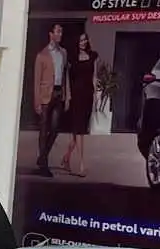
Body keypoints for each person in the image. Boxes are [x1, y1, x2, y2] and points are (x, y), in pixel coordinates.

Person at [33, 23, 70, 177]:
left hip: (58, 94)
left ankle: (42, 157)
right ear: (51, 34)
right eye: (58, 31)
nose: (60, 34)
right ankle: (44, 166)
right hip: (44, 95)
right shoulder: (42, 55)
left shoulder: (63, 53)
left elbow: (65, 75)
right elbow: (36, 80)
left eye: (61, 31)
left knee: (55, 128)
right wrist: (36, 101)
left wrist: (68, 96)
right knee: (43, 130)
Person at [60, 33, 98, 177]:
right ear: (77, 42)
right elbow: (68, 79)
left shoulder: (93, 56)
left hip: (88, 96)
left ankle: (66, 158)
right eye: (80, 40)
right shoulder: (72, 58)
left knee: (78, 132)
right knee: (80, 131)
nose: (83, 42)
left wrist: (96, 96)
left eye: (84, 39)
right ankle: (82, 165)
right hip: (76, 97)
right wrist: (68, 97)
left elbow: (95, 77)